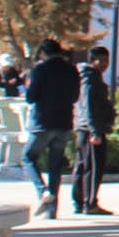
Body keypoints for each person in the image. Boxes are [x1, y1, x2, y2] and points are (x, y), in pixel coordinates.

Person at [23, 38, 82, 220]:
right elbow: (74, 96)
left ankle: (42, 191)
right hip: (64, 122)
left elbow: (31, 97)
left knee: (28, 157)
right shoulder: (71, 70)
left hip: (42, 122)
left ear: (43, 53)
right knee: (55, 165)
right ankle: (51, 210)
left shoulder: (40, 70)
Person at [72, 45, 118, 215]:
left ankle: (79, 202)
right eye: (102, 61)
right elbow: (88, 104)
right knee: (93, 167)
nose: (105, 64)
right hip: (91, 127)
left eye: (107, 61)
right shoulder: (90, 78)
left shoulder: (88, 76)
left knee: (83, 165)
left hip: (85, 126)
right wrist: (94, 129)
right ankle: (89, 203)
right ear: (93, 60)